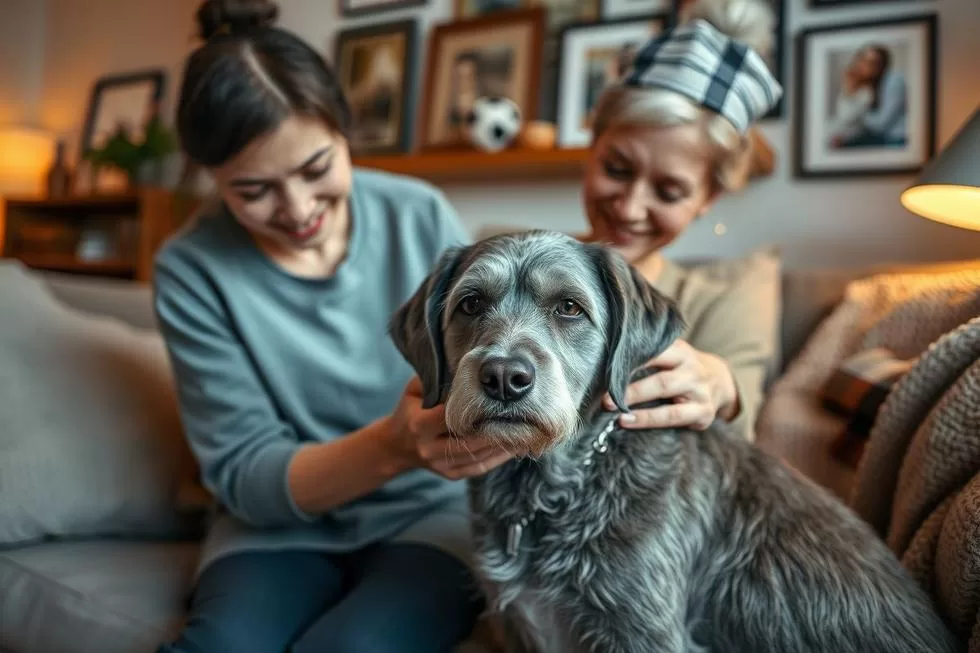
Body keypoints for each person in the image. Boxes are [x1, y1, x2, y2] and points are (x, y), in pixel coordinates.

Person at [152, 1, 509, 651]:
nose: (297, 209)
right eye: (253, 190)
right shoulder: (190, 268)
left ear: (344, 129)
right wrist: (394, 445)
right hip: (275, 528)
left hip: (429, 514)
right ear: (213, 177)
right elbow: (247, 475)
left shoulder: (419, 214)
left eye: (316, 169)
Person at [579, 0, 784, 442]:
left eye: (669, 192)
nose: (630, 208)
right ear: (593, 144)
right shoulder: (518, 265)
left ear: (709, 197)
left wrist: (720, 384)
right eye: (616, 169)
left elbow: (738, 407)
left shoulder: (719, 302)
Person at [829, 44, 907, 148]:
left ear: (882, 65)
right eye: (863, 61)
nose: (867, 66)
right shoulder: (860, 85)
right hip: (877, 135)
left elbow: (881, 123)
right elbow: (843, 117)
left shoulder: (894, 80)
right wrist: (848, 90)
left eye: (874, 63)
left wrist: (857, 112)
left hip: (895, 139)